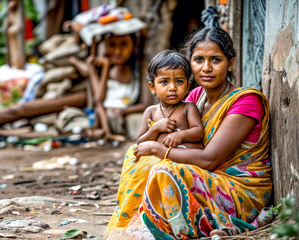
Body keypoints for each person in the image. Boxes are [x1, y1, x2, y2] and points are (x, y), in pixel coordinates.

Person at [105, 27, 271, 239]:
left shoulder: (246, 101)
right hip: (202, 176)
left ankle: (178, 228)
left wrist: (158, 148)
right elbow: (167, 139)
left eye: (216, 60)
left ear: (230, 63)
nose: (206, 68)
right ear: (190, 63)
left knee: (164, 171)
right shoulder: (194, 97)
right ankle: (130, 225)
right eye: (199, 60)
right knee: (136, 154)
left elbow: (209, 159)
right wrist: (154, 138)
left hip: (239, 189)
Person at [86, 32, 151, 141]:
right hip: (102, 116)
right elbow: (98, 100)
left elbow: (145, 104)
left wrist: (122, 111)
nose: (117, 51)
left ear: (134, 45)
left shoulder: (139, 71)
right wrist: (105, 67)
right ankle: (106, 133)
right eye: (112, 45)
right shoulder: (101, 71)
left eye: (124, 44)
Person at [136, 50, 203, 150]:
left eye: (179, 81)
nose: (172, 88)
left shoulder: (188, 107)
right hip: (155, 159)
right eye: (164, 82)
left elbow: (199, 132)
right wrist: (155, 128)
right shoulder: (151, 112)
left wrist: (180, 135)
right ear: (152, 87)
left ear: (187, 87)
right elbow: (140, 143)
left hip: (181, 158)